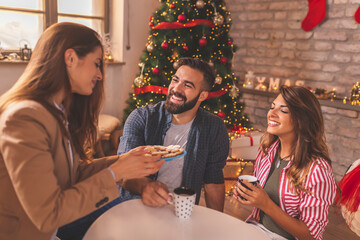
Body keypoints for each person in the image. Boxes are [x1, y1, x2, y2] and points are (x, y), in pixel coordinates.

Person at [0, 22, 163, 240]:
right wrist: (116, 172)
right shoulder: (25, 117)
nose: (100, 75)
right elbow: (47, 214)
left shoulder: (56, 111)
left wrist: (124, 161)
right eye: (97, 64)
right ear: (70, 58)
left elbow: (73, 174)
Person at [118, 57, 229, 211]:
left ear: (202, 96)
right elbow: (123, 173)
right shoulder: (141, 118)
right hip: (136, 208)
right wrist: (147, 187)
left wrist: (218, 228)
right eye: (175, 80)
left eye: (187, 85)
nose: (176, 89)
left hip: (181, 212)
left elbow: (213, 181)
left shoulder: (214, 128)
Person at [233, 86, 336, 240]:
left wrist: (266, 204)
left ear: (302, 120)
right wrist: (247, 194)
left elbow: (311, 235)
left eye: (283, 110)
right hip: (255, 228)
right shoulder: (267, 151)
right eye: (272, 107)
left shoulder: (317, 169)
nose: (271, 114)